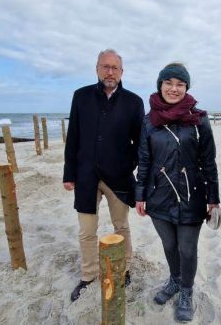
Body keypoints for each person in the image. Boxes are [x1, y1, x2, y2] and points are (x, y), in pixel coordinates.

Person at [134, 63, 220, 322]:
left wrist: (213, 199)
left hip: (192, 196)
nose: (174, 88)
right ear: (160, 85)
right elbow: (144, 160)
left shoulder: (199, 119)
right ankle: (174, 280)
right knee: (169, 244)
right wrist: (140, 194)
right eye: (169, 83)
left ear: (186, 88)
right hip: (158, 195)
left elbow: (209, 161)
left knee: (187, 248)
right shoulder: (149, 121)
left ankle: (186, 291)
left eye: (180, 84)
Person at [63, 49, 145, 302]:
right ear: (97, 68)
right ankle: (88, 275)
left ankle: (125, 268)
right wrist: (69, 173)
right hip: (85, 175)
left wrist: (125, 165)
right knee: (87, 230)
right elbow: (73, 136)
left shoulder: (134, 101)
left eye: (115, 68)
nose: (110, 72)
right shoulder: (81, 96)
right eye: (105, 67)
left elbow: (139, 142)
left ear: (122, 72)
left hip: (118, 177)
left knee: (121, 226)